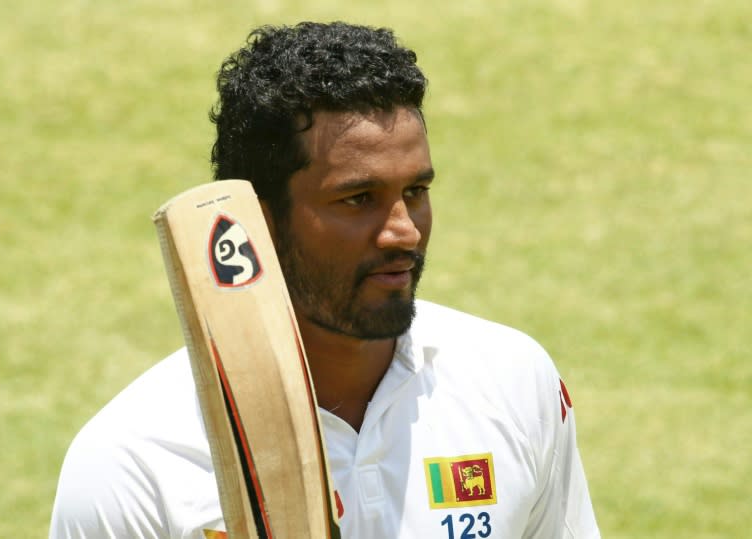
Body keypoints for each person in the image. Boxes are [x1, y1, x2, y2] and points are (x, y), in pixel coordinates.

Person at [50, 21, 599, 538]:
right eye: (358, 199)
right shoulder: (135, 459)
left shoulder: (512, 382)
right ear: (257, 225)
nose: (403, 233)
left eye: (416, 192)